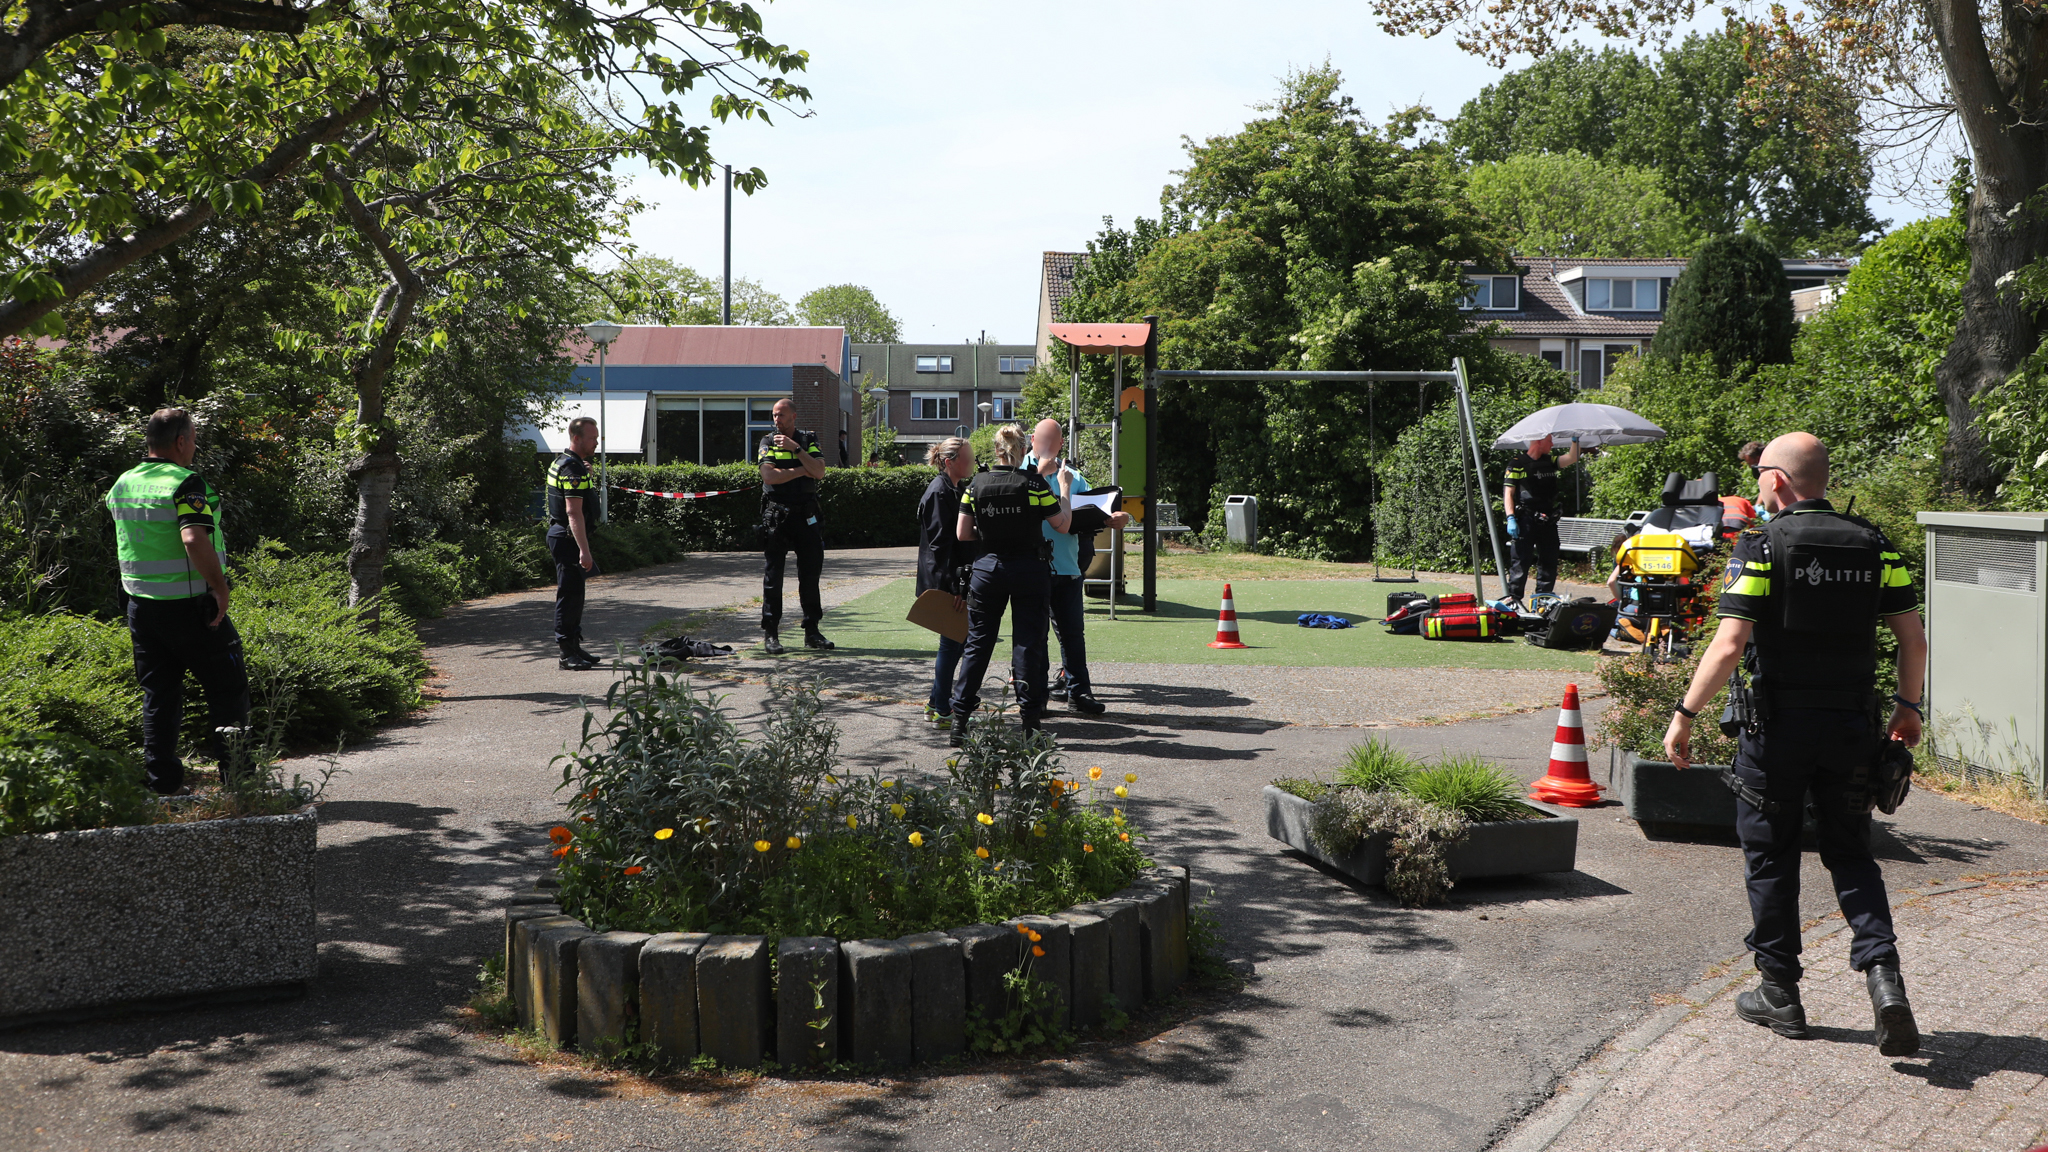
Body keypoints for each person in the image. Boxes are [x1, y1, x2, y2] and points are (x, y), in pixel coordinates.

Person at [1663, 432, 1926, 1057]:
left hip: (1776, 732)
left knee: (1771, 855)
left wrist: (1684, 714)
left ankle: (1780, 993)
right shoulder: (1875, 544)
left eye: (1760, 475)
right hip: (1852, 729)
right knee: (1852, 853)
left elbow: (1729, 644)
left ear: (1777, 480)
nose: (1756, 483)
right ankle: (1884, 978)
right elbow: (1912, 639)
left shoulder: (1762, 545)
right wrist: (1907, 710)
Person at [106, 408, 249, 795]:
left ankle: (163, 786)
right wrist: (220, 588)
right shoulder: (186, 482)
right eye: (195, 439)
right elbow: (193, 538)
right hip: (191, 607)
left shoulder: (124, 483)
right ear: (181, 441)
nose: (195, 448)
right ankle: (239, 784)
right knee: (228, 690)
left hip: (142, 608)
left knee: (159, 696)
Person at [949, 423, 1071, 745]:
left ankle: (959, 721)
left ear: (996, 449)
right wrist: (1065, 489)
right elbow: (1062, 524)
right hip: (1029, 570)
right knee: (1028, 644)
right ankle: (1030, 723)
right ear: (1020, 450)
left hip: (987, 569)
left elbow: (963, 533)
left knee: (978, 644)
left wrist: (990, 539)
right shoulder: (1033, 484)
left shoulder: (975, 484)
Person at [1024, 418, 1128, 715]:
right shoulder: (1020, 472)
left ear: (1061, 445)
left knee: (1073, 634)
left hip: (1067, 566)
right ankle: (1036, 696)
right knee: (1035, 634)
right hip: (1033, 566)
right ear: (1031, 440)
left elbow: (1094, 508)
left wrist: (1119, 517)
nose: (1045, 447)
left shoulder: (1073, 476)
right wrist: (1041, 477)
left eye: (1052, 442)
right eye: (1041, 440)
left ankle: (1079, 693)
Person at [757, 397, 832, 654]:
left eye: (781, 415)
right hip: (777, 517)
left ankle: (812, 631)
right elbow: (769, 476)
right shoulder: (767, 442)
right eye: (774, 415)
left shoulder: (808, 440)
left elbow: (820, 471)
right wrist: (803, 470)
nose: (777, 419)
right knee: (773, 576)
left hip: (807, 517)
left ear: (793, 417)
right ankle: (771, 633)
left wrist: (796, 449)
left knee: (810, 575)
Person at [916, 436, 976, 726]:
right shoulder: (940, 491)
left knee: (955, 642)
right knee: (952, 643)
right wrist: (956, 587)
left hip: (950, 578)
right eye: (968, 457)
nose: (973, 461)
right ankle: (942, 708)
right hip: (946, 582)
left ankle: (935, 702)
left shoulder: (954, 488)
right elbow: (941, 546)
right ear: (950, 461)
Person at [546, 416, 602, 670]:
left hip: (564, 536)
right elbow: (573, 513)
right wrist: (584, 551)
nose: (596, 443)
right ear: (576, 438)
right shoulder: (572, 468)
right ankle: (566, 653)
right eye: (593, 438)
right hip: (568, 539)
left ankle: (575, 647)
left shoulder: (567, 462)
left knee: (576, 595)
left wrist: (587, 473)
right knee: (569, 596)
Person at [1502, 435, 1583, 608]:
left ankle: (1543, 599)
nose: (1552, 444)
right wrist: (1510, 518)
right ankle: (1514, 599)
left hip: (1548, 519)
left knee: (1549, 559)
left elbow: (1572, 457)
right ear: (1538, 441)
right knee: (1520, 561)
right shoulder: (1517, 463)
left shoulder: (1550, 461)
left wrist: (1575, 440)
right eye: (1549, 441)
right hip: (1526, 519)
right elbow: (1508, 493)